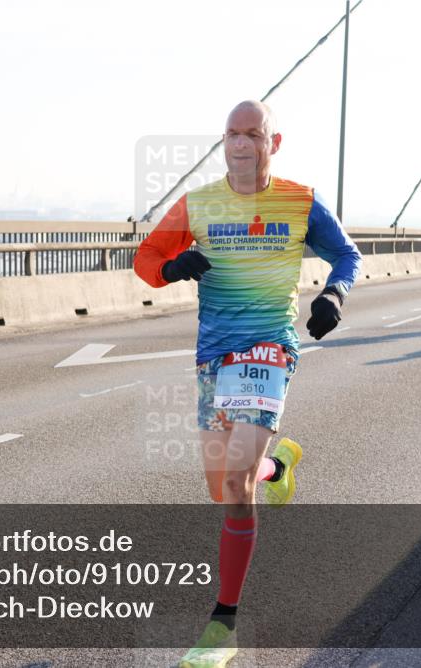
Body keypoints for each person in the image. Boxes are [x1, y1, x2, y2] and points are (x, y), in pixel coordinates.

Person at [134, 99, 362, 668]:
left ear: (272, 142)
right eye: (232, 134)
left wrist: (334, 294)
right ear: (224, 142)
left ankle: (223, 625)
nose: (241, 144)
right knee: (225, 486)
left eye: (252, 135)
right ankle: (276, 465)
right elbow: (145, 259)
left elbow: (346, 253)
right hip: (214, 355)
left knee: (235, 484)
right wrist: (172, 267)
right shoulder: (198, 203)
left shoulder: (299, 201)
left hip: (269, 350)